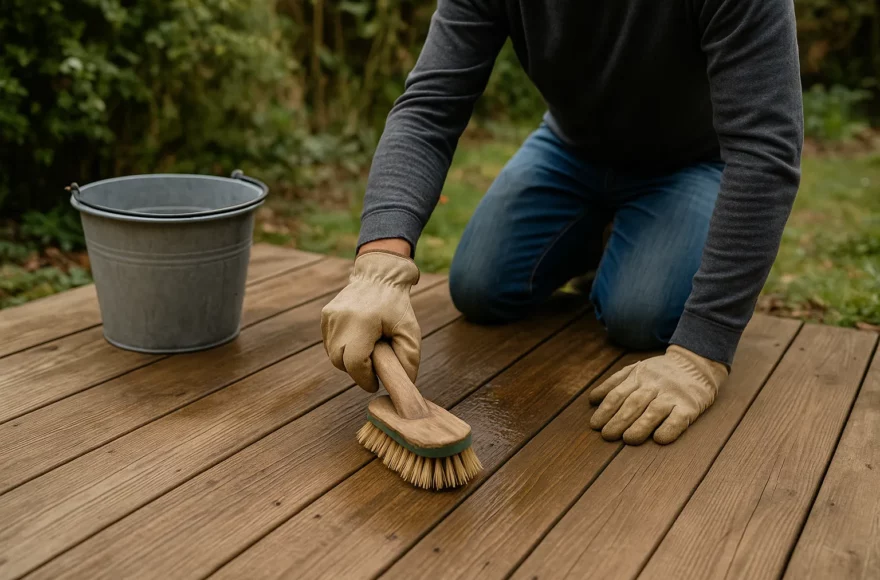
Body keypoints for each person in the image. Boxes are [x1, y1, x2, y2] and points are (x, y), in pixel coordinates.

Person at [321, 0, 804, 445]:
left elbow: (765, 149)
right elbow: (429, 107)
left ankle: (639, 238)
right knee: (479, 289)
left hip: (692, 160)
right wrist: (380, 261)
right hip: (570, 148)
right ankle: (609, 236)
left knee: (639, 316)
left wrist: (704, 350)